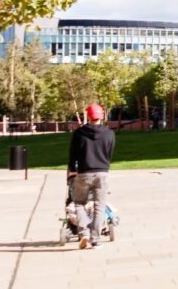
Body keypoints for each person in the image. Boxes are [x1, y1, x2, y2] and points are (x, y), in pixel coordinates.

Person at [68, 103, 115, 250]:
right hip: (102, 172)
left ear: (88, 116)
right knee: (99, 206)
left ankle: (84, 233)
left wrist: (71, 168)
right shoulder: (109, 134)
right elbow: (109, 153)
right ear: (102, 116)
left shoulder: (79, 133)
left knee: (79, 203)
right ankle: (96, 239)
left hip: (84, 172)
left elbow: (72, 154)